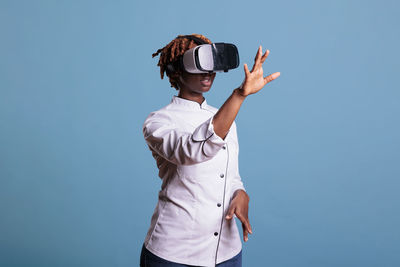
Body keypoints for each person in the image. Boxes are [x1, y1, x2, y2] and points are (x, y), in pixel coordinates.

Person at [141, 34, 280, 267]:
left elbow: (230, 175)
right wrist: (239, 95)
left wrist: (240, 193)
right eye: (198, 63)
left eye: (211, 63)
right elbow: (192, 151)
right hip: (174, 255)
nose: (208, 72)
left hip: (227, 253)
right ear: (177, 70)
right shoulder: (158, 122)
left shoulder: (226, 118)